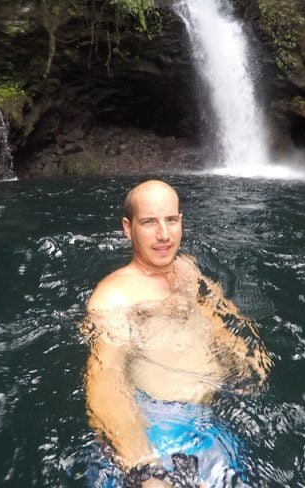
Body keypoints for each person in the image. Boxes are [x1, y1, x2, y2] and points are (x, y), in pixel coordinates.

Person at [83, 180, 271, 487]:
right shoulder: (114, 296)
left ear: (180, 222)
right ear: (128, 228)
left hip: (209, 422)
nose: (163, 235)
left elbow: (215, 314)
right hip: (156, 431)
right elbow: (104, 380)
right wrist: (143, 469)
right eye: (149, 222)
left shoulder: (188, 269)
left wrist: (242, 355)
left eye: (170, 220)